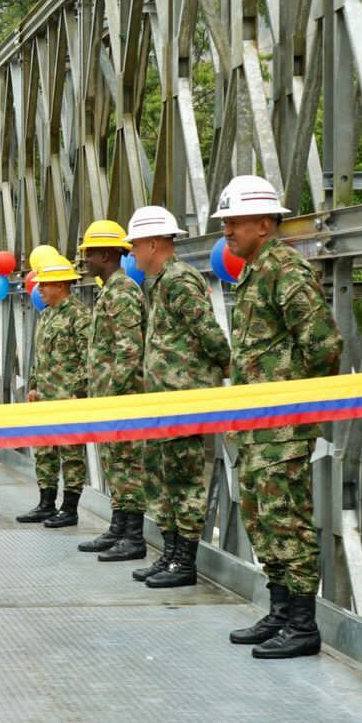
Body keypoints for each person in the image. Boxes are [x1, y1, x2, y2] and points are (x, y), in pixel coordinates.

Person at [214, 174, 344, 659]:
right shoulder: (255, 272)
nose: (227, 230)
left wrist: (297, 403)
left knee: (286, 519)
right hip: (257, 425)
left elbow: (324, 344)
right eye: (225, 222)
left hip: (282, 427)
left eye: (235, 222)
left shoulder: (285, 271)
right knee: (262, 518)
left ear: (265, 224)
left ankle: (303, 623)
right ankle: (281, 609)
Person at [125, 207, 231, 588]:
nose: (132, 254)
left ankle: (184, 561)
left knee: (183, 482)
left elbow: (207, 330)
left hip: (182, 399)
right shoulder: (161, 281)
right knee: (161, 478)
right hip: (163, 399)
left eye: (135, 246)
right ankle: (170, 553)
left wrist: (225, 365)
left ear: (154, 244)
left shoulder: (179, 280)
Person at [76, 221, 152, 562]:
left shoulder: (122, 292)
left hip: (121, 398)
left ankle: (133, 537)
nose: (85, 260)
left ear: (106, 254)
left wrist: (113, 397)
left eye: (89, 253)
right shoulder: (110, 289)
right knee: (115, 464)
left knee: (128, 465)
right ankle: (119, 527)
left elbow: (129, 350)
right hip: (109, 397)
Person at [17, 250, 89, 526]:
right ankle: (46, 503)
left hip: (68, 397)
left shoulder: (78, 316)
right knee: (44, 450)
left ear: (61, 285)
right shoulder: (46, 315)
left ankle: (69, 508)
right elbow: (41, 355)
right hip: (45, 396)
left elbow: (87, 356)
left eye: (44, 285)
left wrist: (79, 391)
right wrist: (33, 385)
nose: (40, 289)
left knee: (71, 454)